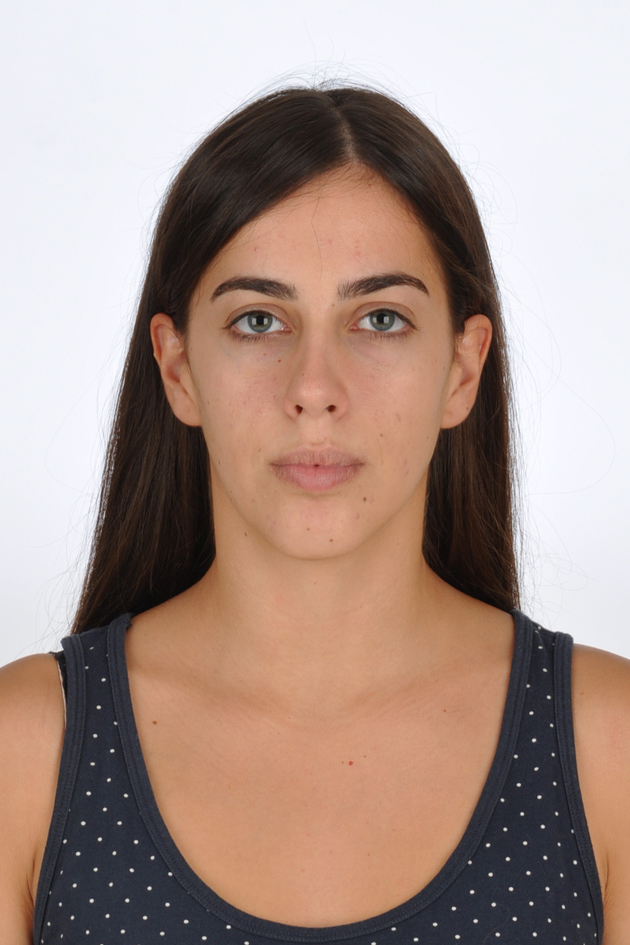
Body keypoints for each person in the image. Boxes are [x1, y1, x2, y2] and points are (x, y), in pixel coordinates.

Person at [1, 85, 628, 944]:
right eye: (259, 320)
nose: (314, 389)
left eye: (381, 318)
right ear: (178, 369)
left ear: (462, 369)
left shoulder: (608, 750)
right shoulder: (26, 753)